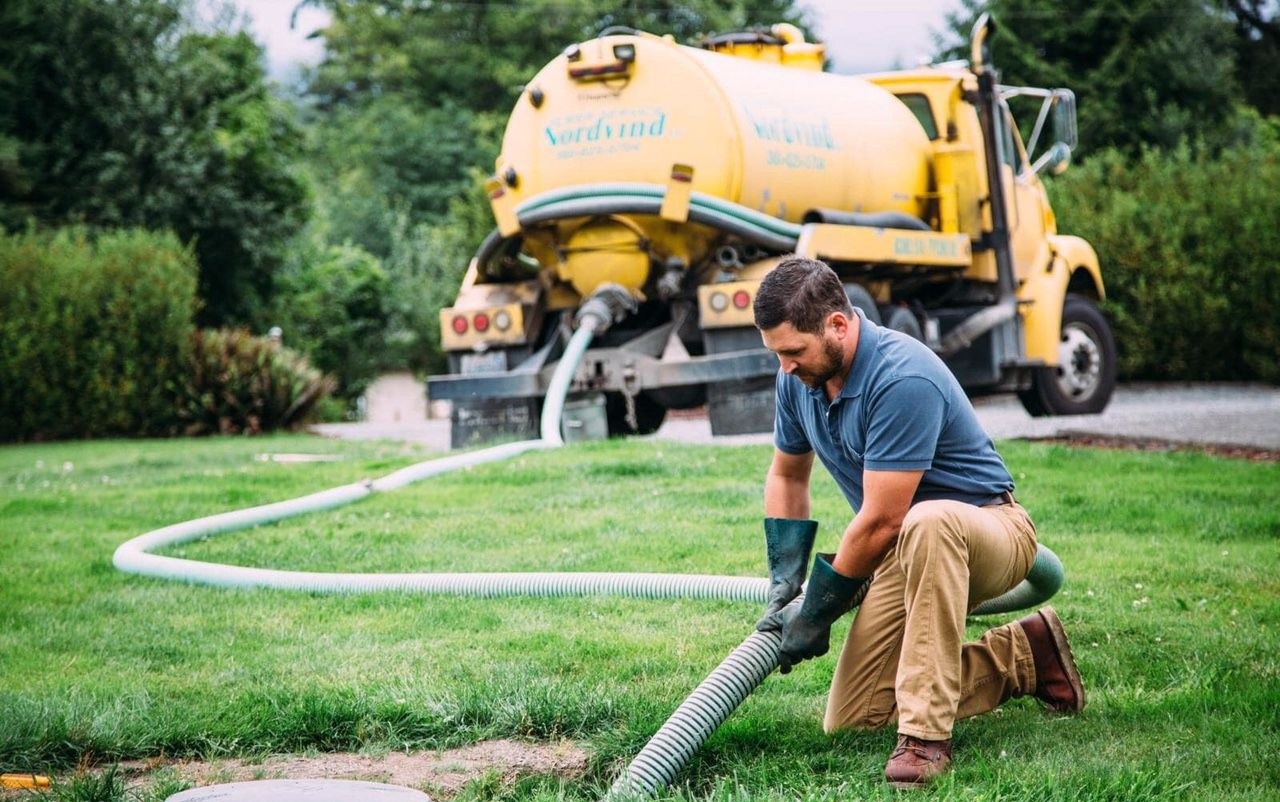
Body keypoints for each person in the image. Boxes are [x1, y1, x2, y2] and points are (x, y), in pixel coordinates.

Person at [751, 257, 1085, 789]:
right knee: (854, 718)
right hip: (904, 550)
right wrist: (786, 579)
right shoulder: (798, 379)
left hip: (987, 530)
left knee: (927, 520)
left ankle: (926, 738)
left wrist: (819, 610)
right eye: (778, 354)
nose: (785, 366)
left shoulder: (901, 376)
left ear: (838, 324)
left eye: (794, 351)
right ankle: (1024, 656)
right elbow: (787, 477)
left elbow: (884, 519)